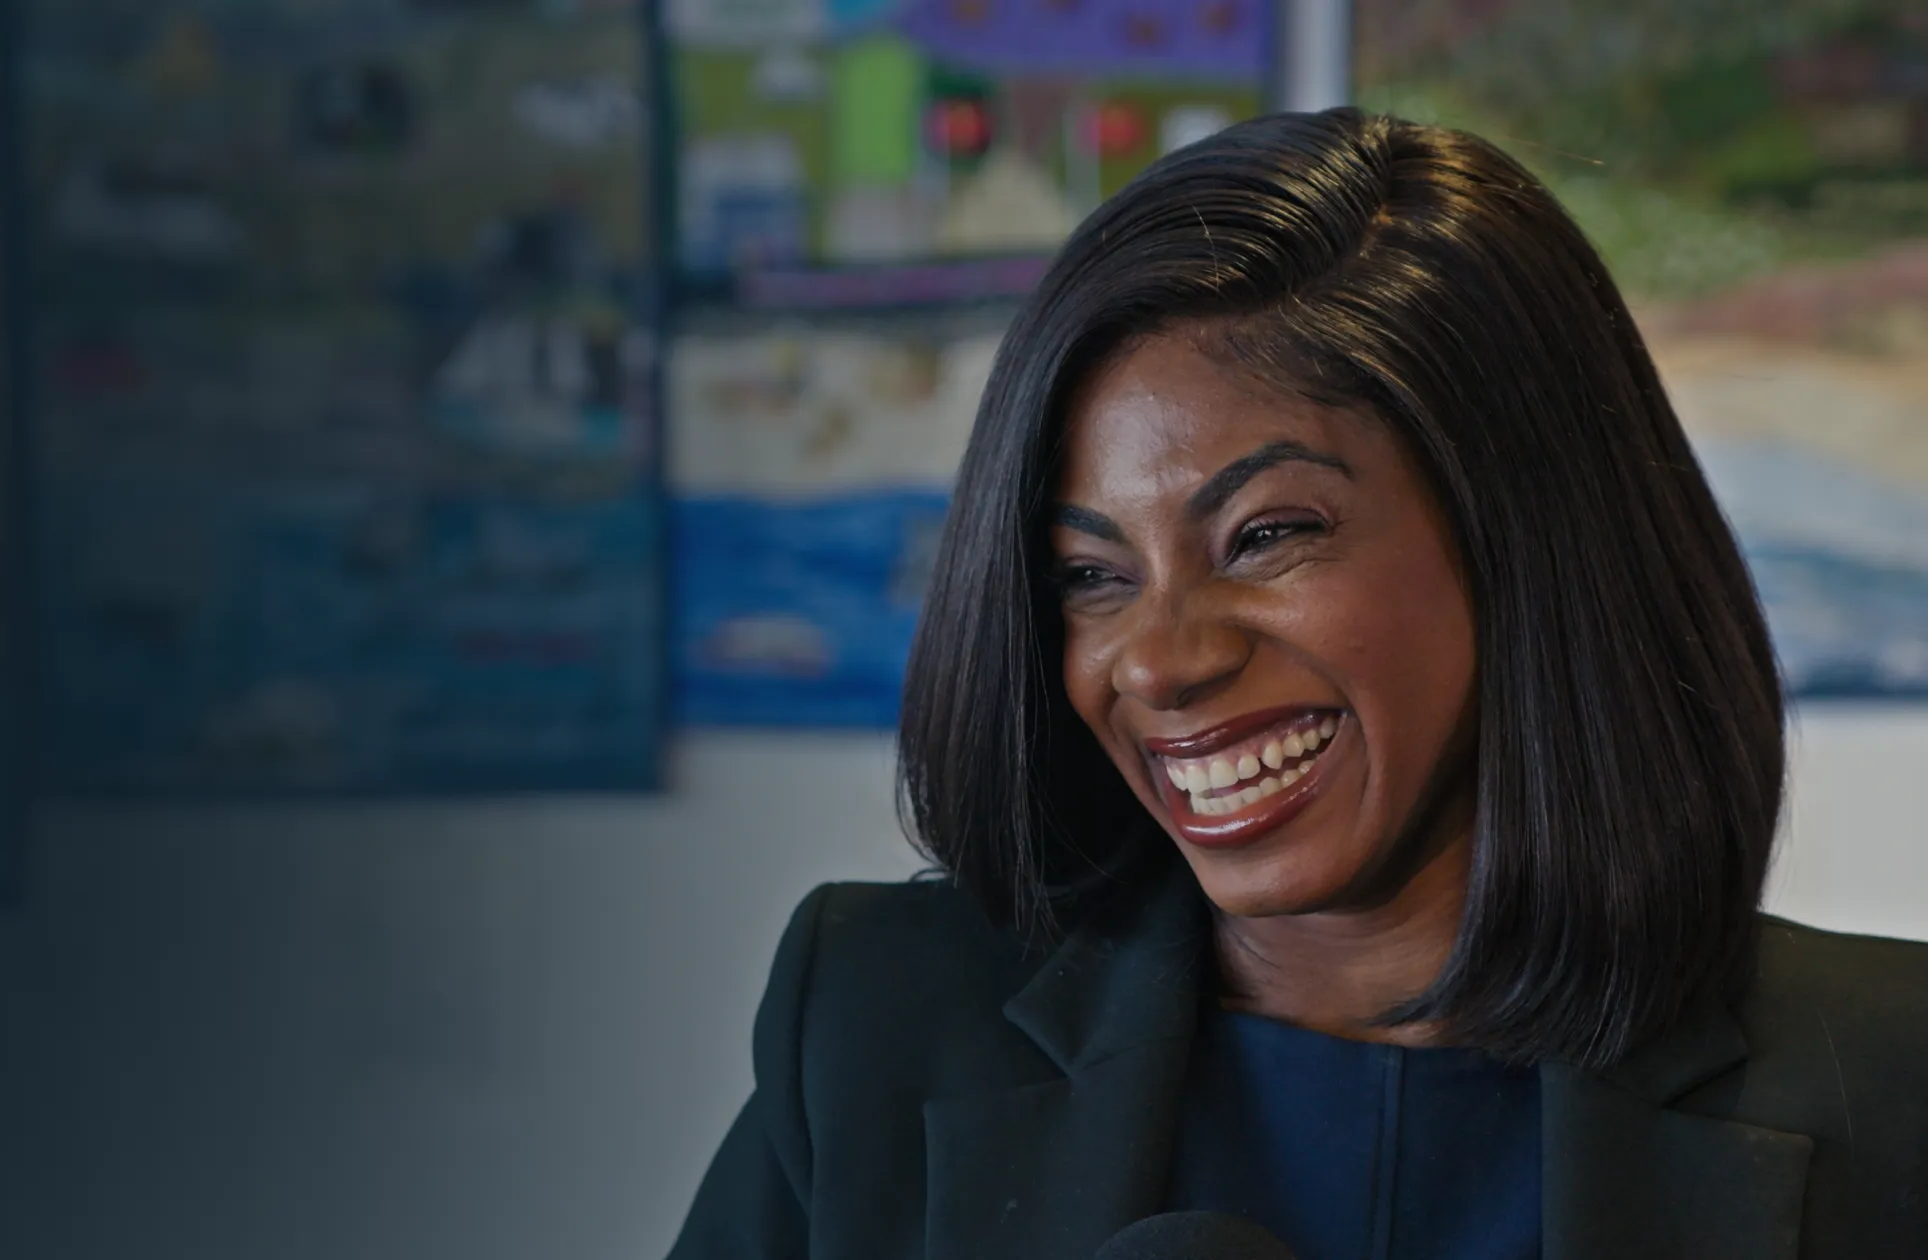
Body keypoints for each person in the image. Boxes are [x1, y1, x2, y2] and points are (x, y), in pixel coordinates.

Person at [664, 109, 1928, 1260]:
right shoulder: (874, 1027)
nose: (1160, 660)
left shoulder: (1892, 1082)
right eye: (1092, 575)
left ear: (1528, 538)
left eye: (1266, 536)